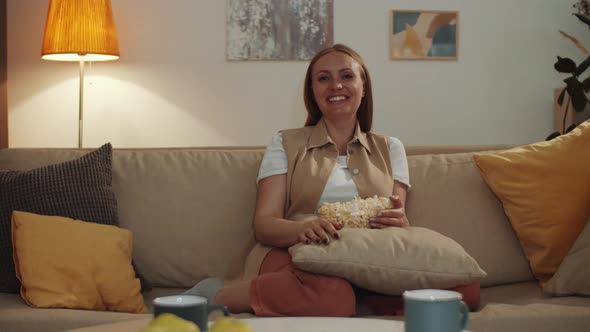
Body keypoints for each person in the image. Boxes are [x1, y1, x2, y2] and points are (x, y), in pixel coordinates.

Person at [185, 44, 477, 316]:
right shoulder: (284, 142)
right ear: (313, 91)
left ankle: (348, 301)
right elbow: (265, 224)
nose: (336, 85)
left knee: (466, 290)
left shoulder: (391, 148)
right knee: (332, 295)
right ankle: (216, 295)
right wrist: (303, 227)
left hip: (366, 253)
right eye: (323, 78)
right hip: (292, 250)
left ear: (363, 88)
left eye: (347, 76)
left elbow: (399, 217)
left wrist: (399, 221)